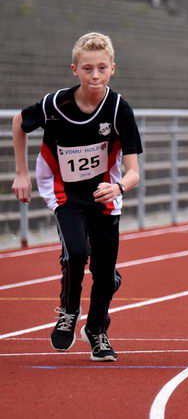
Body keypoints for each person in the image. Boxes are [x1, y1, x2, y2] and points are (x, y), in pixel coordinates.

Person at [11, 32, 143, 363]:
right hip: (63, 189)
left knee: (104, 271)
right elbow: (18, 122)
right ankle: (68, 311)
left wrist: (119, 187)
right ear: (75, 70)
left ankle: (97, 330)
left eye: (101, 68)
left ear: (113, 68)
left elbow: (134, 171)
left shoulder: (118, 110)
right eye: (87, 69)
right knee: (76, 251)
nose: (95, 76)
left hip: (104, 192)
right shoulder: (55, 105)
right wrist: (22, 173)